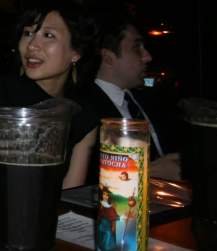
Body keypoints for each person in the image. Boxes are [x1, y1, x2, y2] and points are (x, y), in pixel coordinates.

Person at [0, 0, 98, 190]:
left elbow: (71, 192)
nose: (32, 45)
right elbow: (10, 180)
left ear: (76, 52)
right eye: (28, 33)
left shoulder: (84, 112)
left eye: (48, 35)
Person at [76, 14, 181, 182]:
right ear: (107, 55)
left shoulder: (150, 102)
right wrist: (148, 171)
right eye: (136, 47)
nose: (147, 56)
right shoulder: (80, 107)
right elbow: (81, 182)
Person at [97, 187, 120, 251]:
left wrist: (122, 218)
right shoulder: (100, 204)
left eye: (107, 195)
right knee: (101, 237)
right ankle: (103, 250)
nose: (105, 196)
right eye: (104, 194)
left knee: (108, 236)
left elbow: (114, 216)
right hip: (101, 225)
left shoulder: (109, 207)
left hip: (108, 225)